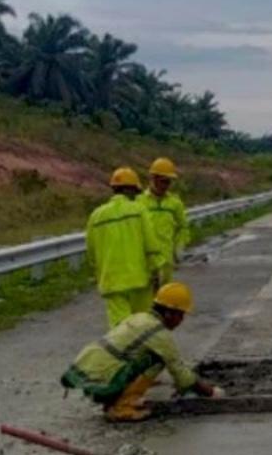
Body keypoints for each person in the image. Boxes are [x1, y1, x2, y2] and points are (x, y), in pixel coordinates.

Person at [60, 281, 223, 422]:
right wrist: (210, 392)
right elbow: (182, 375)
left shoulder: (139, 317)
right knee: (156, 360)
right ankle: (122, 407)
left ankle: (113, 401)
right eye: (180, 315)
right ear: (168, 313)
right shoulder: (160, 335)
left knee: (137, 358)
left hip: (86, 372)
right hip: (104, 381)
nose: (181, 321)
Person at [87, 167, 164, 328]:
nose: (136, 196)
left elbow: (92, 252)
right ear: (130, 190)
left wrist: (99, 274)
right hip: (140, 279)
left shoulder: (96, 216)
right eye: (135, 192)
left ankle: (123, 352)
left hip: (112, 281)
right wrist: (156, 271)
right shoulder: (139, 210)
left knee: (120, 328)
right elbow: (151, 245)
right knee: (142, 325)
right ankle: (140, 352)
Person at [140, 157, 188, 287]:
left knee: (164, 298)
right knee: (147, 298)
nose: (166, 186)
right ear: (153, 179)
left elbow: (183, 227)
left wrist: (179, 246)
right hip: (146, 259)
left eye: (169, 182)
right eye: (163, 182)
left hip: (166, 259)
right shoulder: (139, 202)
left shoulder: (174, 203)